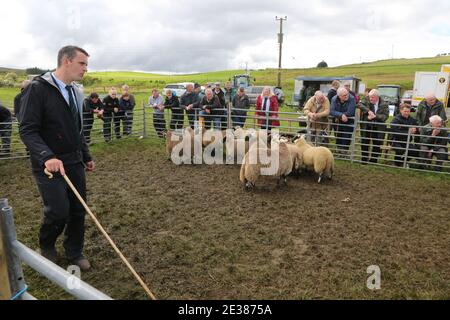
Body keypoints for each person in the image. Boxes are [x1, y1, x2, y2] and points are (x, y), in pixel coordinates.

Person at [19, 45, 94, 270]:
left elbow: (76, 128)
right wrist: (46, 156)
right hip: (48, 164)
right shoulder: (37, 89)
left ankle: (74, 251)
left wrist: (86, 155)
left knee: (78, 209)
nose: (85, 69)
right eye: (82, 63)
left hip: (74, 160)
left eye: (86, 65)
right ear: (66, 61)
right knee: (59, 210)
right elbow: (27, 130)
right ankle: (47, 246)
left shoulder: (75, 91)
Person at [358, 89, 390, 163]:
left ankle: (374, 159)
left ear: (377, 97)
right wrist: (368, 111)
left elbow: (385, 116)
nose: (370, 99)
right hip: (367, 125)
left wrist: (375, 116)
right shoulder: (367, 99)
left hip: (378, 127)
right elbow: (359, 104)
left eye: (372, 97)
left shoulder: (384, 104)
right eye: (370, 97)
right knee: (365, 141)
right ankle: (364, 159)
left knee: (377, 142)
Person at [330, 87, 356, 152]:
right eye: (344, 95)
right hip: (337, 121)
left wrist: (340, 115)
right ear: (339, 96)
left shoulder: (352, 98)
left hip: (348, 121)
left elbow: (351, 112)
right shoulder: (334, 99)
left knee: (346, 136)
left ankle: (344, 151)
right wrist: (341, 115)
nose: (347, 96)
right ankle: (338, 150)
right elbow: (332, 111)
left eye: (347, 94)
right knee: (338, 135)